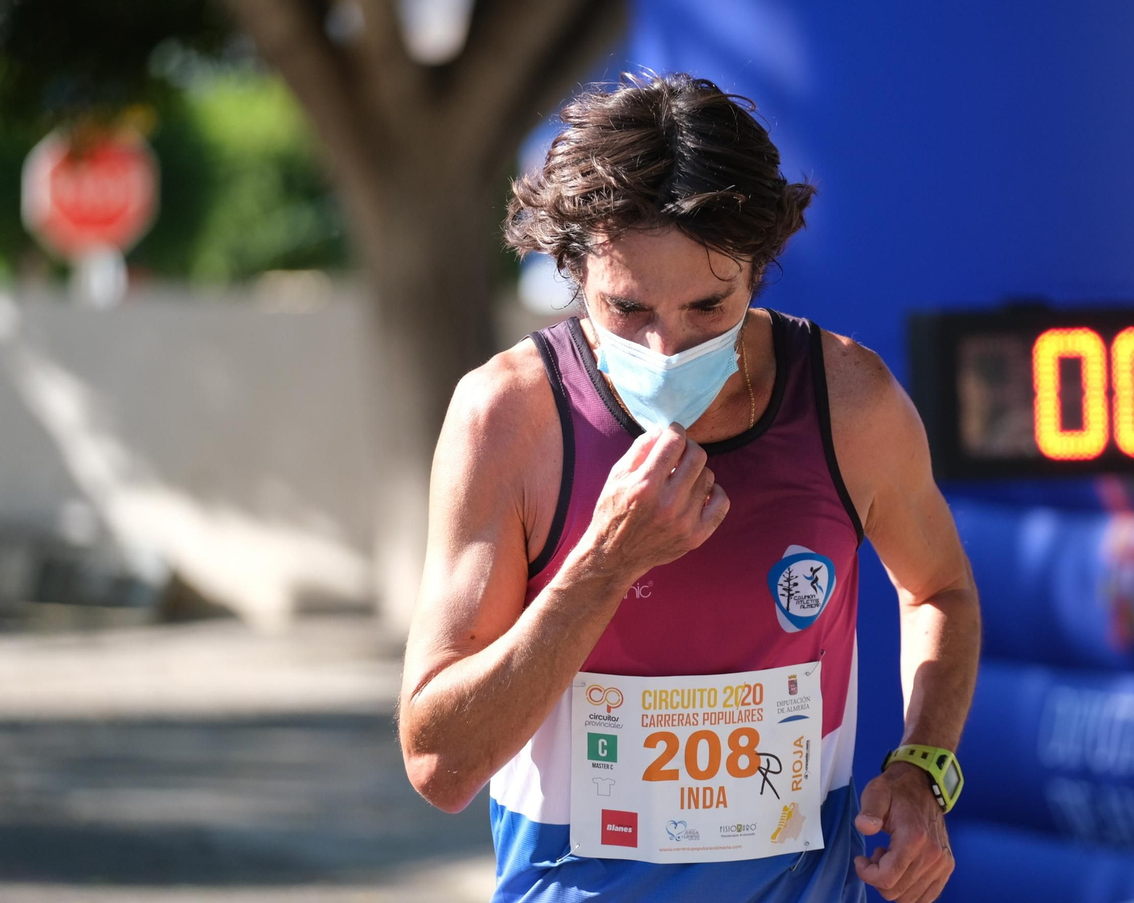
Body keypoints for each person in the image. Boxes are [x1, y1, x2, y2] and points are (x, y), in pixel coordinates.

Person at [398, 72, 980, 903]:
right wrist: (606, 562)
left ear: (758, 268)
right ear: (571, 269)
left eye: (709, 306)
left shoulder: (847, 401)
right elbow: (439, 764)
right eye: (627, 308)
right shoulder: (512, 418)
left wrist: (926, 764)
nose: (667, 349)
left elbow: (942, 590)